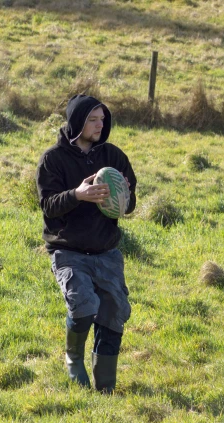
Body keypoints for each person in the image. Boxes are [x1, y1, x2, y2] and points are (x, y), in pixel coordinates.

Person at [36, 94, 137, 393]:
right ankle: (73, 359)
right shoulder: (53, 159)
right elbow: (48, 205)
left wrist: (124, 197)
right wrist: (77, 195)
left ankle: (105, 386)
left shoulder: (114, 157)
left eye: (102, 119)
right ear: (77, 121)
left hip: (106, 250)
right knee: (83, 305)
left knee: (114, 311)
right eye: (93, 119)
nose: (99, 125)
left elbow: (128, 207)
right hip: (69, 250)